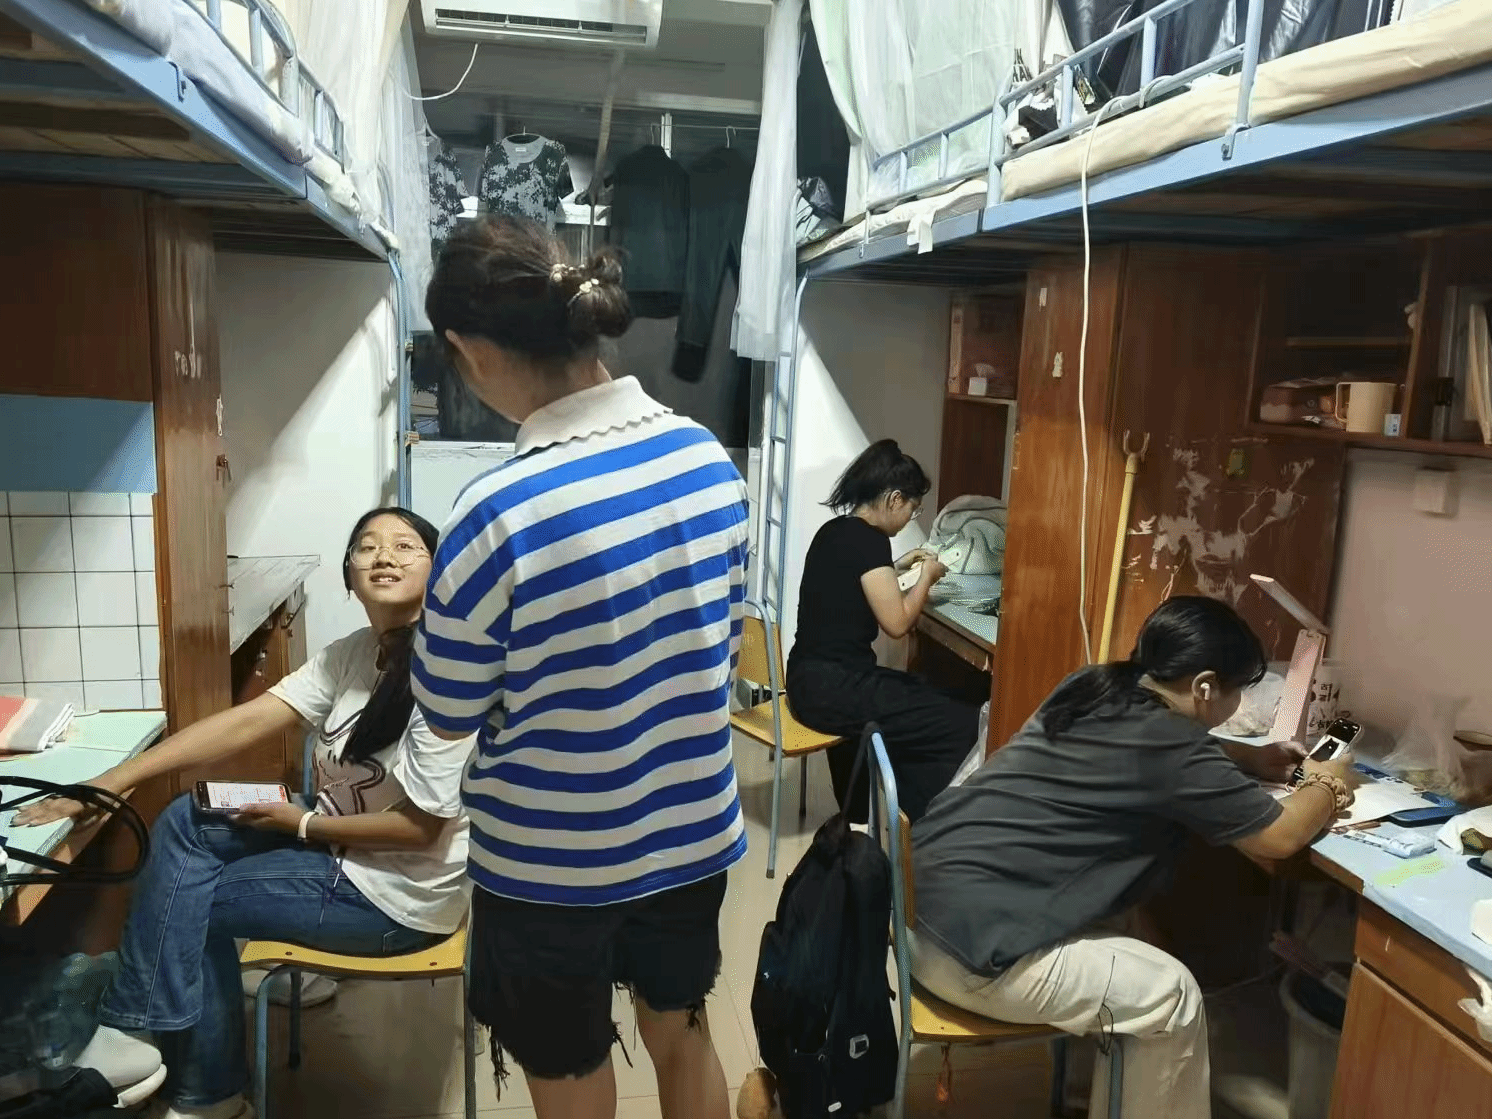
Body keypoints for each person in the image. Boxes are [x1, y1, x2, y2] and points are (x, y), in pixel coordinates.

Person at [412, 215, 749, 1119]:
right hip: (687, 831)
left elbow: (446, 711)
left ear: (471, 349)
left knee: (569, 1068)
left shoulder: (496, 510)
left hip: (548, 864)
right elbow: (720, 646)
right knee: (684, 1034)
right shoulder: (706, 461)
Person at [15, 507, 471, 1119]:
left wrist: (302, 823)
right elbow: (247, 721)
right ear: (348, 574)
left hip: (393, 896)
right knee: (187, 819)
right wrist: (114, 780)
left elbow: (420, 829)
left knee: (190, 903)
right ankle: (144, 1033)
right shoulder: (355, 653)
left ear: (438, 572)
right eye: (366, 546)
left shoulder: (448, 675)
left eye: (405, 546)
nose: (384, 556)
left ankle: (200, 1089)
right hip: (339, 843)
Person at [909, 597, 1356, 1119]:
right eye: (1238, 691)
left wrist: (1246, 756)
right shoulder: (1175, 750)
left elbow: (1155, 753)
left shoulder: (1092, 684)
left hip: (916, 908)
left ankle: (1106, 1092)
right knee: (1173, 997)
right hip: (970, 955)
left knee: (1134, 946)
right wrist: (1330, 783)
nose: (1238, 704)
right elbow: (1278, 837)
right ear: (1205, 687)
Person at [786, 440, 978, 822]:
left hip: (806, 680)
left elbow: (856, 579)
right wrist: (926, 575)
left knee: (922, 692)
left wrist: (898, 565)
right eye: (913, 508)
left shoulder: (834, 531)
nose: (910, 517)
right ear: (894, 499)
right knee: (959, 719)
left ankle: (883, 815)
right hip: (836, 689)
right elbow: (898, 624)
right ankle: (918, 827)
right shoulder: (870, 542)